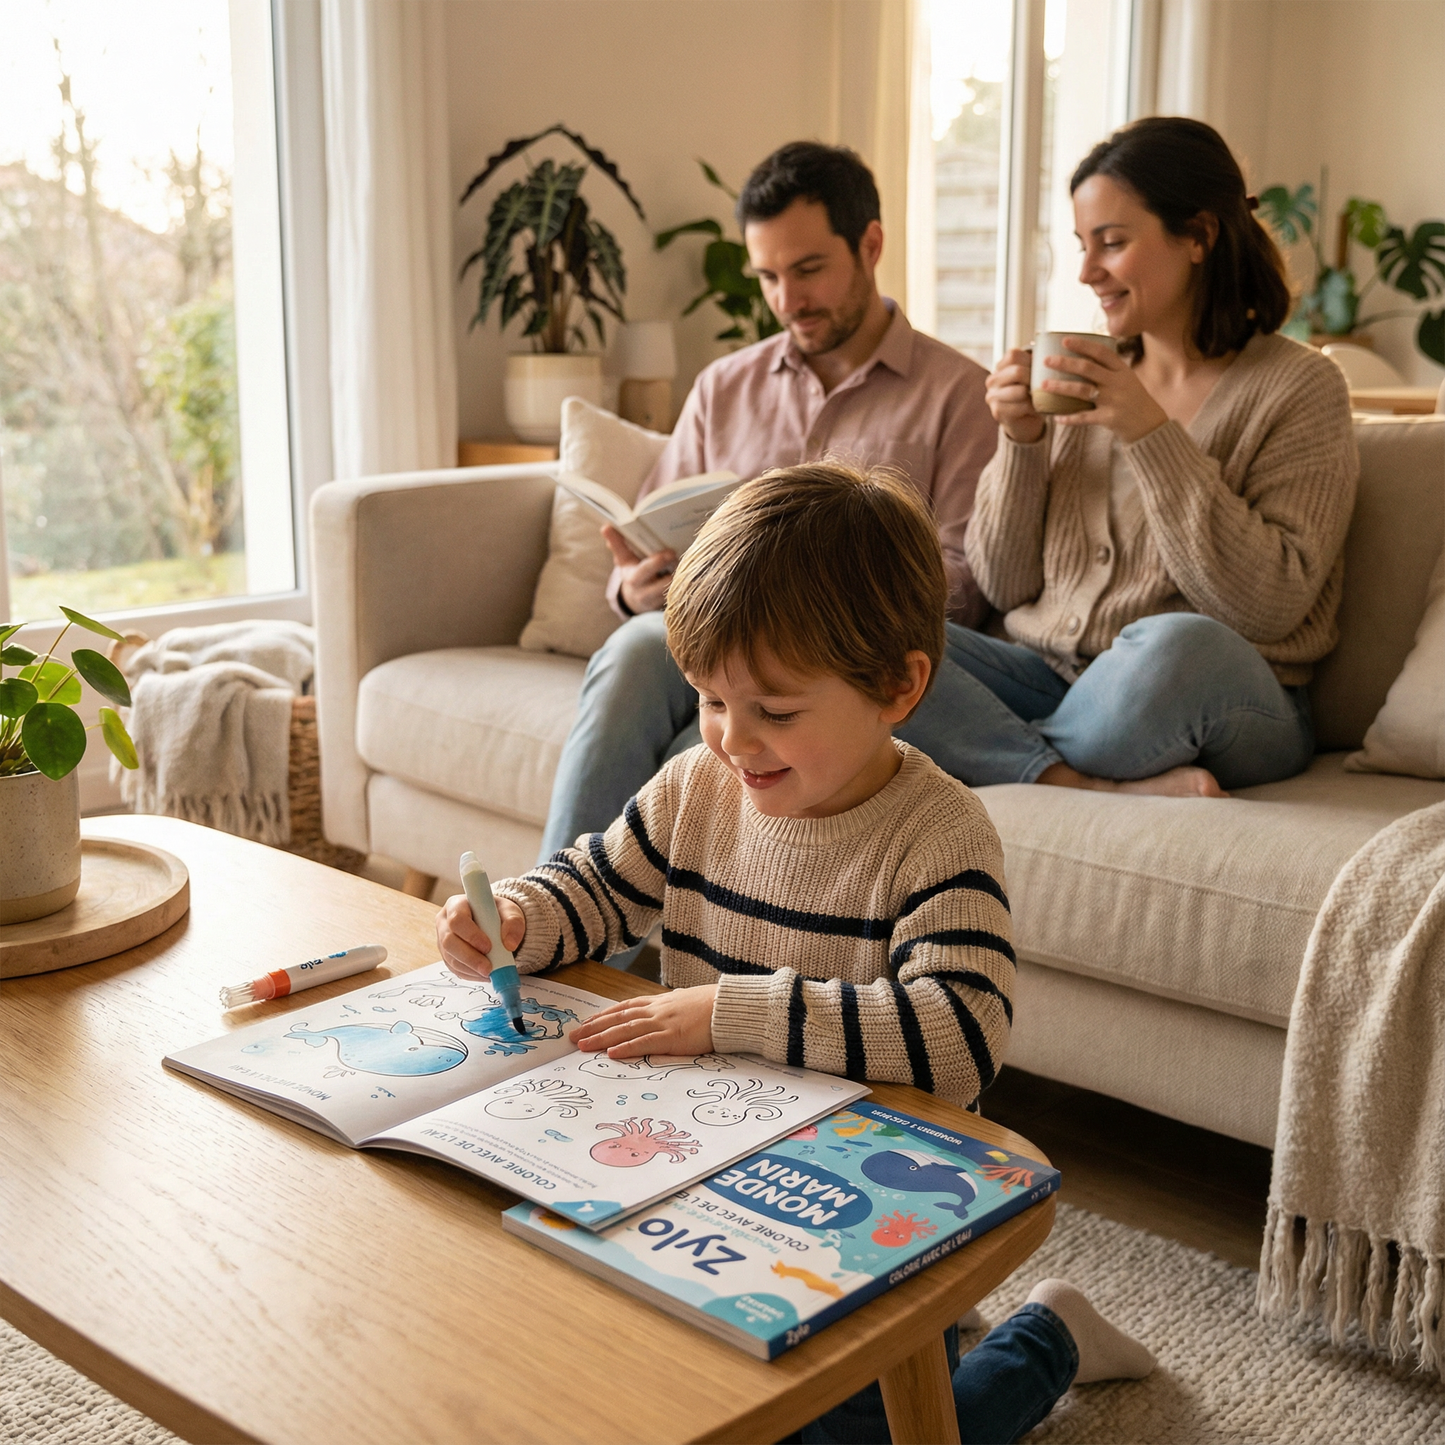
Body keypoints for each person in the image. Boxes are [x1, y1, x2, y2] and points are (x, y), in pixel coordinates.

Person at [437, 463, 1153, 1443]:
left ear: (898, 687)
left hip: (878, 1217)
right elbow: (597, 887)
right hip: (703, 1185)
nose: (733, 739)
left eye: (773, 710)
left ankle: (1044, 1334)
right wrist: (517, 918)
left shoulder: (938, 831)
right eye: (708, 699)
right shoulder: (695, 786)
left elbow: (957, 1036)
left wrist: (727, 1011)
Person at [540, 140, 997, 865]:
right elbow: (655, 525)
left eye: (809, 268)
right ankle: (553, 925)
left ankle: (600, 959)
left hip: (821, 664)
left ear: (870, 244)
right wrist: (632, 587)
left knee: (715, 740)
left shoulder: (957, 395)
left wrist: (803, 609)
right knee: (634, 644)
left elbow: (963, 583)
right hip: (712, 644)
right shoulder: (724, 386)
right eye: (768, 276)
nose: (787, 299)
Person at [925, 115, 1358, 796]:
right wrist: (1021, 441)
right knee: (879, 642)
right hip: (1054, 678)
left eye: (1112, 243)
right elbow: (1004, 586)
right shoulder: (1081, 379)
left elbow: (1268, 606)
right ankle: (1078, 779)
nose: (1086, 271)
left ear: (1198, 235)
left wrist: (1150, 434)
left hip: (1220, 692)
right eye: (1081, 245)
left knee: (1176, 646)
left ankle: (997, 752)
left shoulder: (1299, 387)